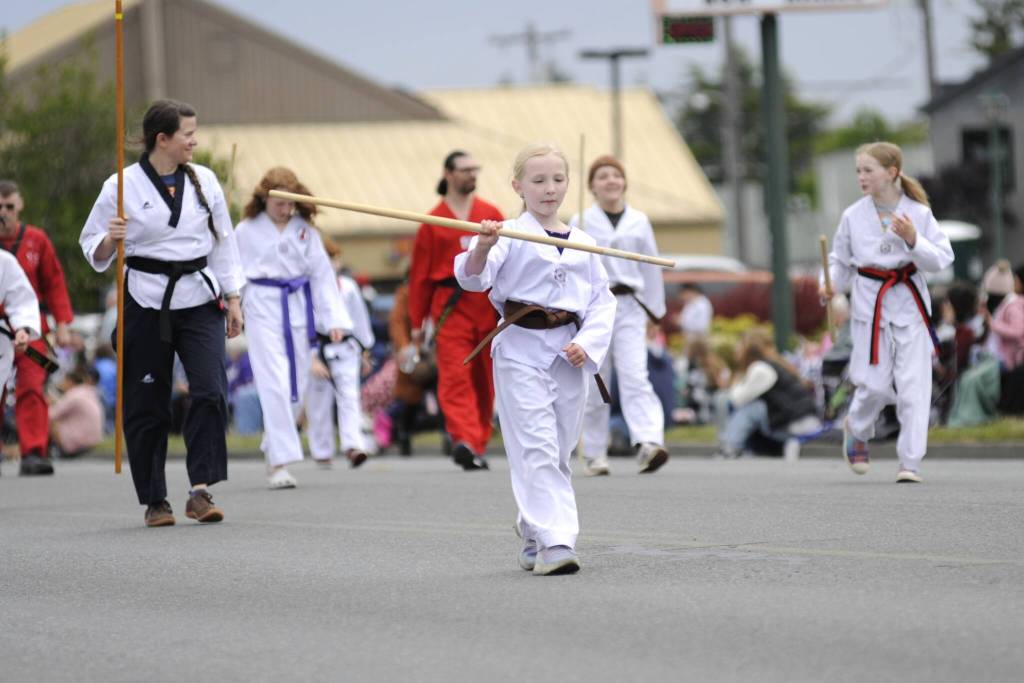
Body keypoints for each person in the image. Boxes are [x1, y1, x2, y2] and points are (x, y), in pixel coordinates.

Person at [80, 99, 244, 526]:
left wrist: (235, 298)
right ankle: (155, 499)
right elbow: (91, 246)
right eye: (187, 134)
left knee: (210, 391)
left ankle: (201, 490)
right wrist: (109, 239)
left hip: (199, 296)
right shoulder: (122, 185)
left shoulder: (205, 180)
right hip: (147, 299)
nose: (194, 140)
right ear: (163, 139)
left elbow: (224, 242)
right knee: (149, 403)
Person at [455, 143, 616, 576]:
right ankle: (556, 543)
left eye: (558, 180)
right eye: (538, 180)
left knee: (560, 451)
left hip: (568, 353)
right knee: (537, 447)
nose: (549, 189)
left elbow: (603, 302)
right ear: (518, 186)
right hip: (520, 351)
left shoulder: (585, 242)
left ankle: (532, 527)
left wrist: (590, 342)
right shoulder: (505, 233)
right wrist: (484, 246)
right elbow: (473, 278)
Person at [822, 141, 953, 483]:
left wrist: (913, 240)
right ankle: (857, 428)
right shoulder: (853, 215)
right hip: (870, 305)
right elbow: (839, 261)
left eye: (868, 170)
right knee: (874, 385)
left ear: (891, 172)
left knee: (914, 385)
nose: (861, 177)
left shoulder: (918, 214)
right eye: (858, 171)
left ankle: (910, 462)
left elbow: (941, 259)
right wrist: (831, 284)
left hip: (909, 304)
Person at [235, 167, 350, 489]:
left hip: (298, 308)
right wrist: (232, 310)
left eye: (289, 204)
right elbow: (232, 272)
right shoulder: (245, 230)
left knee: (297, 386)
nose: (285, 210)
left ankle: (274, 447)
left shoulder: (306, 232)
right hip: (261, 307)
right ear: (264, 200)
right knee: (274, 383)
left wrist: (335, 320)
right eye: (278, 204)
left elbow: (323, 277)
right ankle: (280, 462)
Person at [571, 155, 669, 476]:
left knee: (635, 374)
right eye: (602, 176)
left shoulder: (639, 221)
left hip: (629, 306)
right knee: (597, 378)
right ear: (592, 186)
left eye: (616, 175)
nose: (610, 181)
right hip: (595, 306)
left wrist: (655, 311)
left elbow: (651, 265)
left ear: (624, 182)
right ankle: (594, 453)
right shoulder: (580, 221)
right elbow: (571, 268)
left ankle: (649, 442)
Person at [408, 150, 503, 470]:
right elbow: (420, 277)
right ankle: (463, 438)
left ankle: (477, 443)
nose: (471, 175)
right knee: (455, 376)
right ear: (448, 174)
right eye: (464, 170)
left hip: (487, 307)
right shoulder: (433, 221)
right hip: (450, 308)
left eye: (474, 169)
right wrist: (417, 323)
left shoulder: (490, 214)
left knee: (485, 379)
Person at [0, 179, 75, 476]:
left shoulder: (36, 240)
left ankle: (33, 450)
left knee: (32, 385)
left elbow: (54, 283)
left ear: (20, 207)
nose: (3, 212)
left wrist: (64, 323)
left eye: (9, 206)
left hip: (31, 329)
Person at [305, 239, 374, 468]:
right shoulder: (307, 287)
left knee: (349, 397)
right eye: (326, 259)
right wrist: (311, 357)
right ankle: (322, 450)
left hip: (347, 347)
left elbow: (359, 319)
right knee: (318, 401)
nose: (331, 264)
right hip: (317, 347)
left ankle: (353, 446)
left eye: (334, 259)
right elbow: (303, 324)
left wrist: (365, 349)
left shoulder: (348, 286)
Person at [712, 328, 820, 460]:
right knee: (753, 404)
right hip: (801, 420)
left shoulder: (761, 369)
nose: (736, 349)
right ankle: (733, 445)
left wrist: (736, 379)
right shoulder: (773, 364)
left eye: (739, 345)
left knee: (747, 406)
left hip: (798, 425)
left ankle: (729, 446)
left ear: (748, 349)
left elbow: (736, 399)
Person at [0, 249, 40, 477]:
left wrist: (23, 328)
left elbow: (21, 299)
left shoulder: (4, 261)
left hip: (3, 339)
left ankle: (34, 448)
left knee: (31, 387)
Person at [49, 367, 103, 459]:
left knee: (51, 422)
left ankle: (46, 452)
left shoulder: (73, 395)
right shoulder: (89, 391)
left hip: (76, 443)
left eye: (63, 381)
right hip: (94, 440)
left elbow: (50, 415)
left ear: (70, 381)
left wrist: (48, 403)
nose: (61, 384)